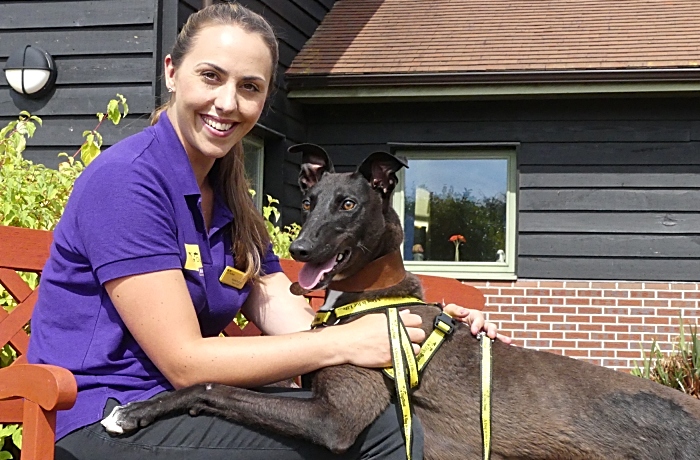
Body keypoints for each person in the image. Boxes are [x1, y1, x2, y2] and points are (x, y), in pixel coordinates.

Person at [27, 3, 510, 459]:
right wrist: (345, 341)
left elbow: (282, 308)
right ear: (172, 72)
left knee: (375, 418)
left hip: (184, 406)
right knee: (373, 436)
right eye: (211, 76)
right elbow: (186, 362)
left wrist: (425, 328)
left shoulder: (229, 199)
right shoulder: (128, 181)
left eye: (250, 87)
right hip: (101, 418)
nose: (227, 102)